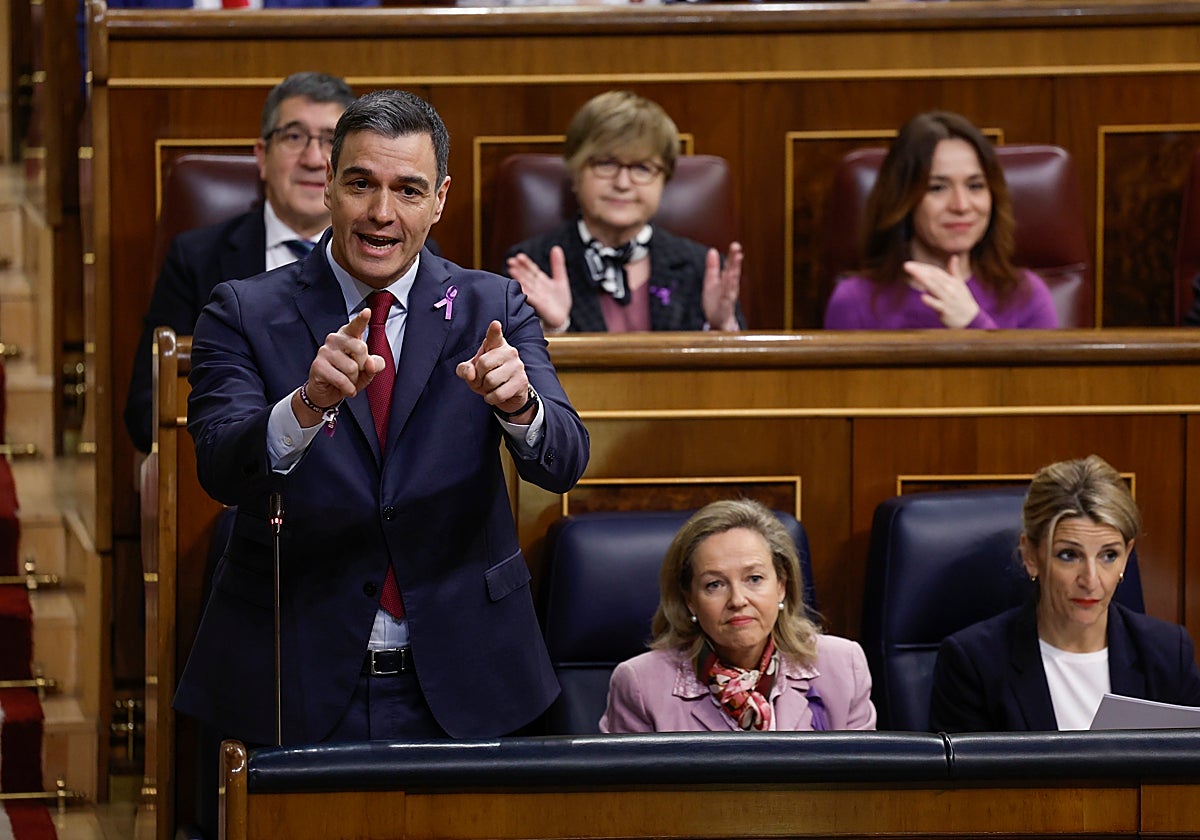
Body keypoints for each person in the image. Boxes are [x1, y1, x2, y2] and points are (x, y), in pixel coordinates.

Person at [174, 89, 590, 748]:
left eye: (409, 190)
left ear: (441, 199)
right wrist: (305, 405)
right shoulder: (242, 311)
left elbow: (565, 461)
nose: (381, 213)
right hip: (292, 675)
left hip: (468, 677)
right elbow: (222, 467)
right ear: (330, 190)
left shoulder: (493, 305)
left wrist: (520, 405)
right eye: (361, 184)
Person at [124, 72, 356, 454]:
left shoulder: (398, 255)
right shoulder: (196, 258)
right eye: (294, 137)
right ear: (262, 156)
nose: (314, 159)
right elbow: (144, 407)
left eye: (331, 141)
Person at [929, 455, 1200, 732]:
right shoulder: (974, 663)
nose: (1091, 580)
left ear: (1127, 555)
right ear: (1031, 556)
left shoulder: (1167, 653)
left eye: (1109, 555)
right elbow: (969, 775)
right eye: (1069, 555)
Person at [600, 499, 876, 732]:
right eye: (715, 584)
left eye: (754, 578)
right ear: (690, 600)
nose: (737, 600)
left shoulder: (843, 667)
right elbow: (627, 796)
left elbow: (864, 788)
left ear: (781, 585)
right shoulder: (640, 685)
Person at [505, 91, 745, 334]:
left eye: (642, 168)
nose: (622, 183)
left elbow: (740, 371)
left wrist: (721, 329)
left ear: (664, 179)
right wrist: (555, 330)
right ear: (576, 173)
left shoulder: (701, 268)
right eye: (606, 164)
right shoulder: (529, 265)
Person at [823, 111, 1059, 330]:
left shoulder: (1026, 294)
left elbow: (1035, 378)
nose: (961, 205)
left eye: (975, 186)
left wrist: (973, 324)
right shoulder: (855, 301)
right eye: (937, 188)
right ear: (904, 198)